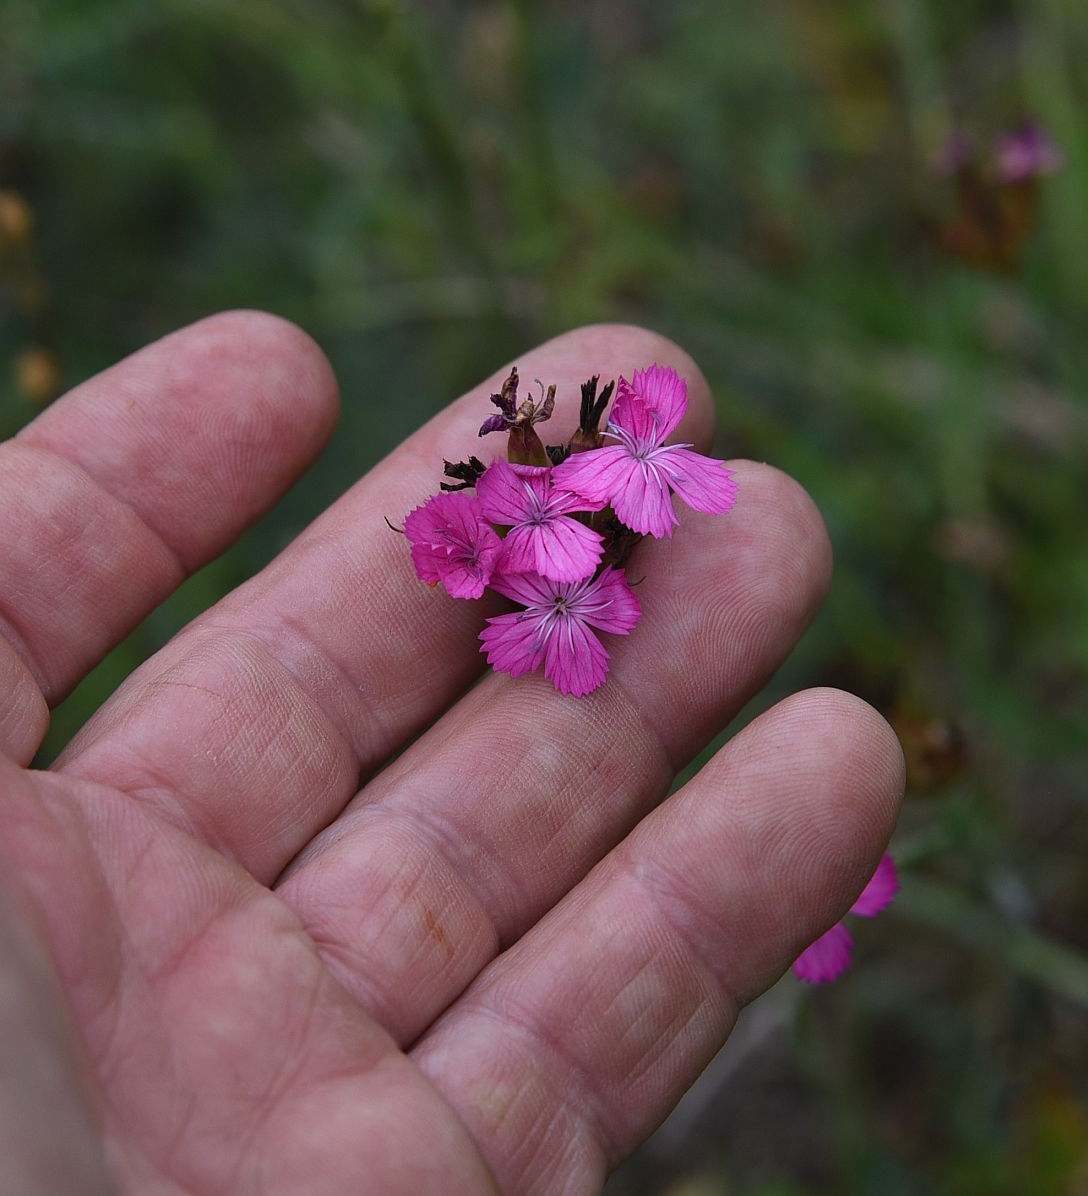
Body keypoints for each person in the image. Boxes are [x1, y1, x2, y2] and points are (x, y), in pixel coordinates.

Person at [0, 311, 903, 1194]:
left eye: (640, 445)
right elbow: (552, 556)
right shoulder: (545, 524)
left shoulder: (583, 504)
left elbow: (587, 560)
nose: (638, 451)